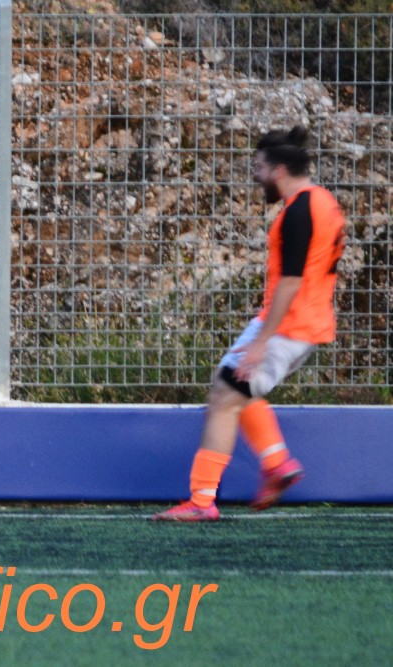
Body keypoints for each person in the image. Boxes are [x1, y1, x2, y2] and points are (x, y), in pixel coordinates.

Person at [153, 126, 346, 522]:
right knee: (231, 386)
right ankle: (276, 463)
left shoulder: (298, 212)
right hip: (302, 323)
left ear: (278, 170)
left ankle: (202, 501)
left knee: (225, 398)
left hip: (287, 325)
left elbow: (291, 282)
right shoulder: (324, 202)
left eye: (259, 168)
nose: (256, 176)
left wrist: (261, 343)